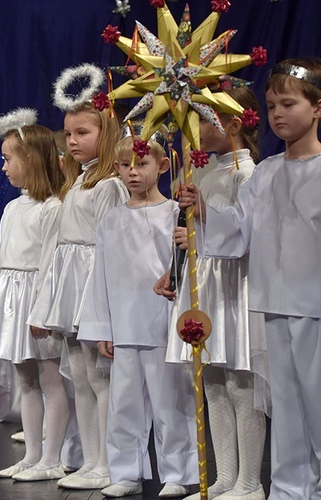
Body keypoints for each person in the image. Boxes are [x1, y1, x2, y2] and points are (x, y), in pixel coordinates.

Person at [178, 58, 321, 499]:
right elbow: (240, 231)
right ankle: (288, 489)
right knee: (285, 410)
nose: (278, 114)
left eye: (289, 103)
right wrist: (206, 211)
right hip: (274, 308)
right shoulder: (265, 174)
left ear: (319, 108)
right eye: (271, 106)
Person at [156, 86, 270, 500]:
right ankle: (225, 476)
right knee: (213, 381)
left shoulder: (250, 174)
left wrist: (205, 213)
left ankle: (250, 482)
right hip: (206, 281)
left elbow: (246, 233)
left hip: (234, 283)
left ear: (235, 124)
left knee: (241, 381)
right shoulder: (203, 172)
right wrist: (175, 266)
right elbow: (196, 233)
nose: (196, 128)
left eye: (205, 119)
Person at [78, 130, 200, 498]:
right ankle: (126, 471)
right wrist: (103, 326)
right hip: (125, 323)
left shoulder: (173, 214)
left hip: (162, 324)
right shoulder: (111, 219)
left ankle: (178, 472)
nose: (133, 172)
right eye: (125, 165)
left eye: (142, 163)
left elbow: (180, 267)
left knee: (171, 401)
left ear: (162, 166)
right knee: (124, 403)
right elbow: (100, 277)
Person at [28, 94, 128, 490]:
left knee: (101, 380)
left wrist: (104, 306)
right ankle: (90, 460)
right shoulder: (77, 182)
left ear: (106, 135)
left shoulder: (109, 186)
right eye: (68, 134)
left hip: (94, 286)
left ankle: (108, 462)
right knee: (81, 379)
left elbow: (112, 247)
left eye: (82, 132)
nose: (71, 141)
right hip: (71, 287)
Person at [0, 113, 71, 482]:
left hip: (37, 304)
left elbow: (51, 266)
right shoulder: (10, 208)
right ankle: (32, 454)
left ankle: (52, 457)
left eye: (9, 159)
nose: (4, 167)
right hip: (12, 303)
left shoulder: (52, 209)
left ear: (32, 160)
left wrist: (41, 311)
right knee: (27, 383)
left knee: (51, 381)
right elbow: (3, 260)